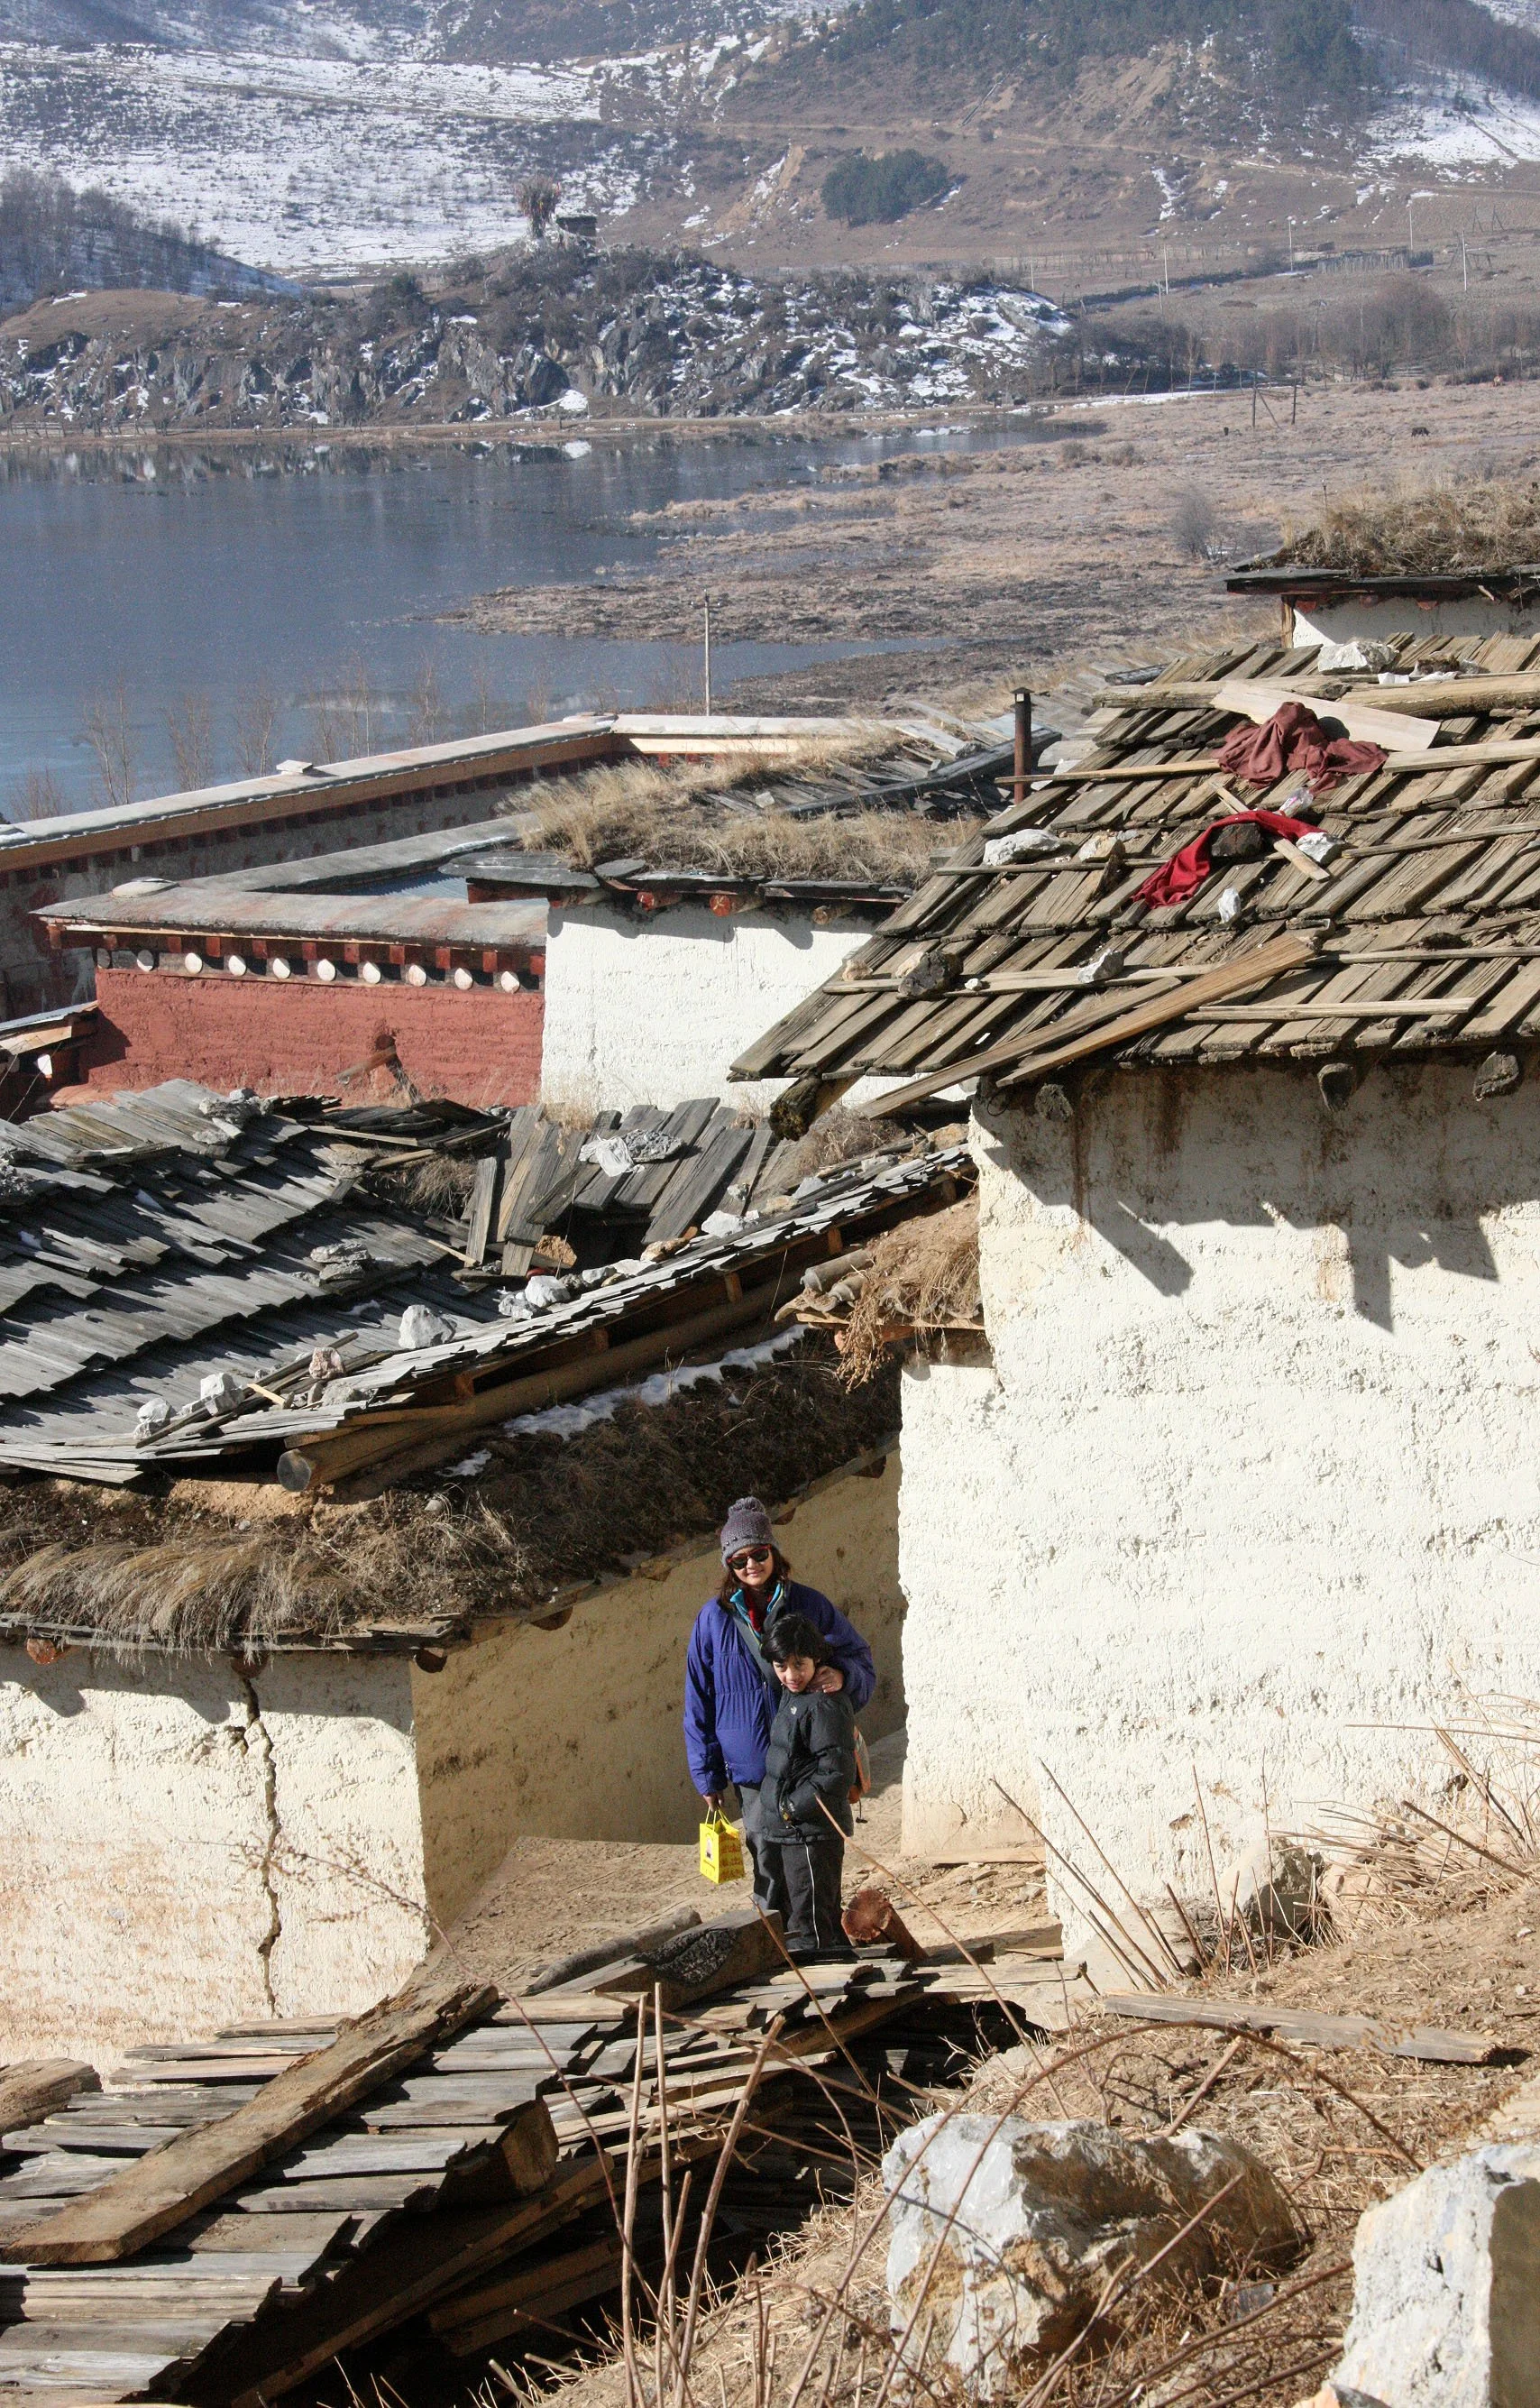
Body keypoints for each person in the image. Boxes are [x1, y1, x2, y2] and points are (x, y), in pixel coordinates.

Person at [683, 1495, 874, 1916]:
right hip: (753, 1765)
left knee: (817, 1848)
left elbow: (860, 1660)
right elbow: (698, 1699)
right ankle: (778, 1941)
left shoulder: (810, 1605)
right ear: (728, 1566)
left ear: (774, 1552)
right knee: (766, 1853)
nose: (751, 1565)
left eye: (759, 1554)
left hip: (811, 1756)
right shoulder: (712, 1621)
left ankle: (820, 1934)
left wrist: (842, 1676)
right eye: (739, 1560)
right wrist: (707, 1776)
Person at [759, 1613, 857, 1960]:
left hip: (813, 1831)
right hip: (794, 1830)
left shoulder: (825, 1704)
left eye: (798, 1665)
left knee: (812, 1925)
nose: (790, 1675)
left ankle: (826, 1995)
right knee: (815, 1917)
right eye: (781, 1666)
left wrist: (790, 1808)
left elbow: (834, 1772)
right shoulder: (793, 1696)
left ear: (816, 1658)